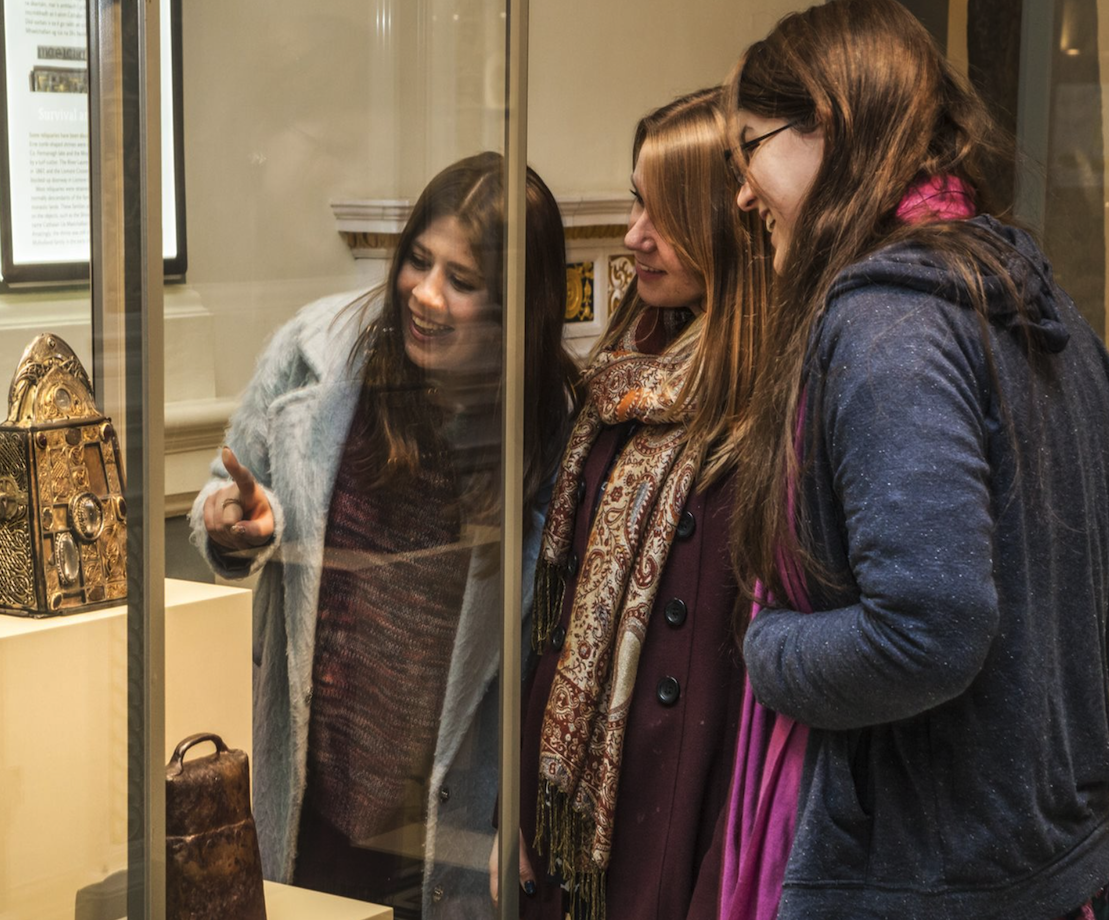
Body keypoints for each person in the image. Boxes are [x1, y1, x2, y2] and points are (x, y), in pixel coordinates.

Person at [722, 2, 1109, 919]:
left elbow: (925, 629)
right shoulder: (1030, 295)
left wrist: (767, 648)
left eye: (749, 149)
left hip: (925, 872)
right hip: (1039, 854)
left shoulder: (886, 323)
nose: (741, 192)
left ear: (829, 122)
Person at [189, 151, 579, 919]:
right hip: (315, 793)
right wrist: (236, 524)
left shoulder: (557, 430)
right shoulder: (312, 354)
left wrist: (532, 812)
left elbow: (562, 658)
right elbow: (223, 489)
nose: (425, 295)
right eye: (418, 262)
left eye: (462, 282)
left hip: (454, 821)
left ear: (516, 306)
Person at [501, 87, 770, 920]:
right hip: (572, 821)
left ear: (724, 223)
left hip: (686, 816)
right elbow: (553, 621)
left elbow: (750, 703)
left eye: (663, 212)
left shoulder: (771, 415)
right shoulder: (621, 385)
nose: (632, 237)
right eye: (633, 200)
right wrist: (517, 801)